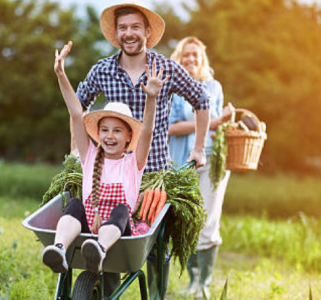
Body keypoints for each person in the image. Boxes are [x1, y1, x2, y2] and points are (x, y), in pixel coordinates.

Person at [75, 4, 211, 299]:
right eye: (123, 28)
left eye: (135, 27)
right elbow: (78, 104)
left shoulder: (167, 69)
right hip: (111, 174)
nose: (129, 33)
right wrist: (77, 149)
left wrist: (199, 149)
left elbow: (202, 99)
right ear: (116, 33)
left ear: (147, 31)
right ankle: (105, 292)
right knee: (105, 240)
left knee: (154, 250)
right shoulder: (103, 70)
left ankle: (156, 296)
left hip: (153, 178)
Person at [42, 41, 169, 277]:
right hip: (88, 226)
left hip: (118, 233)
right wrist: (61, 75)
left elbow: (149, 131)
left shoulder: (133, 163)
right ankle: (59, 249)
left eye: (117, 130)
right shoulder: (90, 155)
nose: (110, 136)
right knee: (75, 205)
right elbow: (75, 113)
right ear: (98, 134)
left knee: (121, 209)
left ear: (129, 136)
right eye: (105, 130)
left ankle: (98, 250)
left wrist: (151, 98)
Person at [168, 37, 233, 299]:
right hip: (181, 163)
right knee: (186, 223)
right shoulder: (172, 88)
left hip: (210, 162)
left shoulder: (213, 86)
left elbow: (216, 130)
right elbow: (171, 127)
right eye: (186, 55)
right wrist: (212, 120)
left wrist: (226, 124)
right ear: (179, 58)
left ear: (202, 58)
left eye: (195, 55)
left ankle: (203, 284)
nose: (191, 59)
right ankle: (192, 280)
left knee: (208, 223)